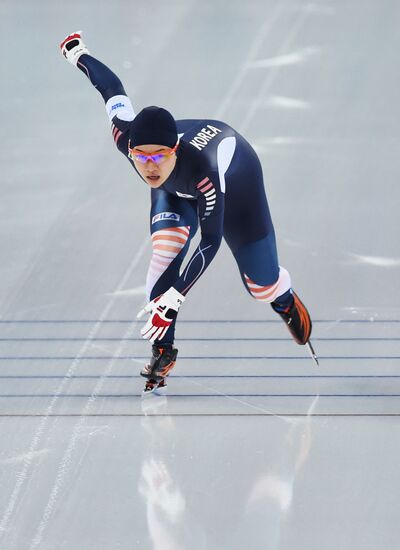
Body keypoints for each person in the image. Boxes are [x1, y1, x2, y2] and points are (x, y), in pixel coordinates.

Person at [60, 31, 317, 394]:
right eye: (141, 157)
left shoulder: (203, 168)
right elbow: (112, 90)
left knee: (260, 285)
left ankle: (283, 296)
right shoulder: (125, 136)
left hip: (235, 180)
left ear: (175, 150)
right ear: (129, 147)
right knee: (165, 251)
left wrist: (176, 298)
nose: (149, 167)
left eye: (158, 157)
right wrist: (79, 54)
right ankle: (163, 350)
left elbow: (210, 241)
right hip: (177, 188)